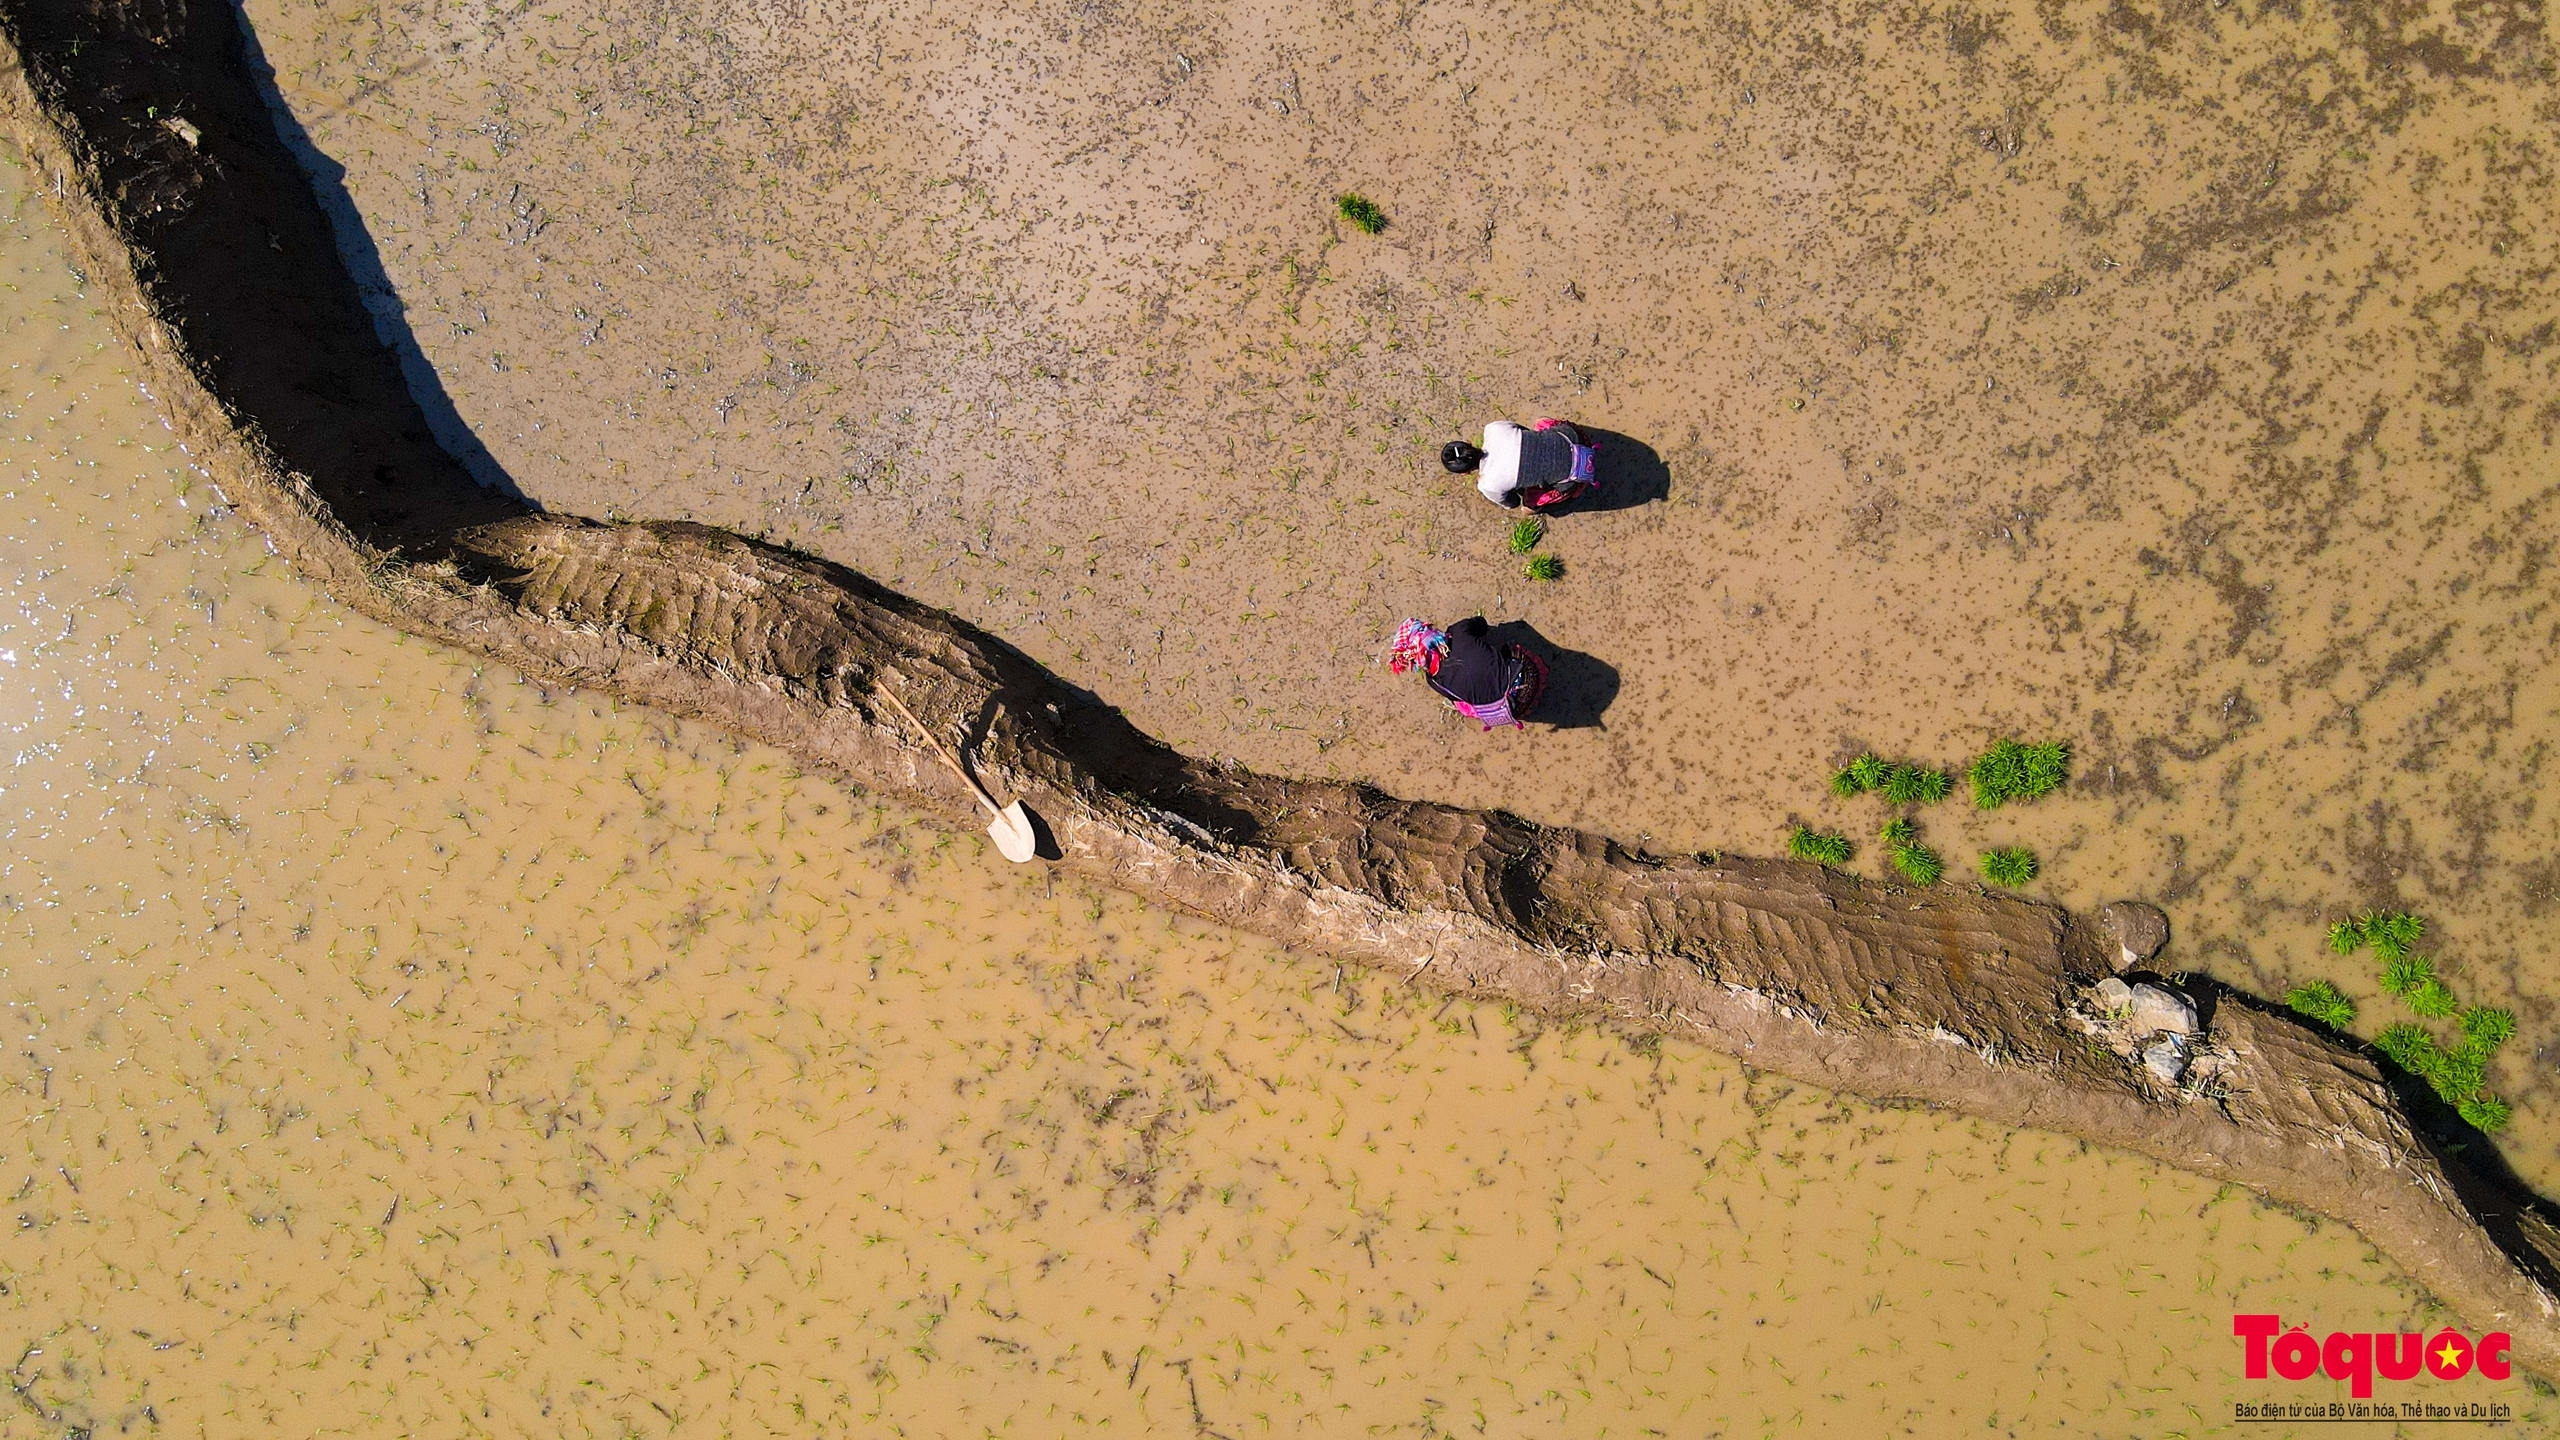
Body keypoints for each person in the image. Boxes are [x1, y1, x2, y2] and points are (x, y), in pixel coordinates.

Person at [1387, 617, 1549, 730]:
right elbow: (1482, 625)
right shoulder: (1458, 631)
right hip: (1529, 678)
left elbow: (1458, 697)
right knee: (1510, 650)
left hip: (1513, 710)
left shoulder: (1433, 680)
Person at [1442, 418, 1597, 511]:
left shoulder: (1487, 485)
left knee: (1527, 507)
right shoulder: (1494, 428)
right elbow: (1524, 430)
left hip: (1575, 477)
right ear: (1468, 443)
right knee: (1540, 422)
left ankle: (1576, 491)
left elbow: (1513, 504)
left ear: (1465, 473)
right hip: (1578, 438)